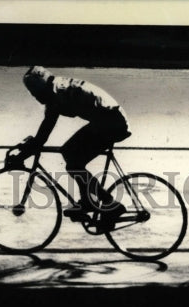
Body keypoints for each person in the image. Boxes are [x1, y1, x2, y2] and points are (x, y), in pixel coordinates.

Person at [15, 66, 130, 225]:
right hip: (108, 119)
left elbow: (43, 134)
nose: (35, 97)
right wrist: (27, 151)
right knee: (70, 155)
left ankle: (110, 204)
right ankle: (90, 201)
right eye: (32, 93)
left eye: (35, 92)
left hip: (111, 122)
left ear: (42, 87)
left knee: (73, 160)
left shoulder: (57, 94)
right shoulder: (56, 89)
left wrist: (22, 155)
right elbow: (43, 134)